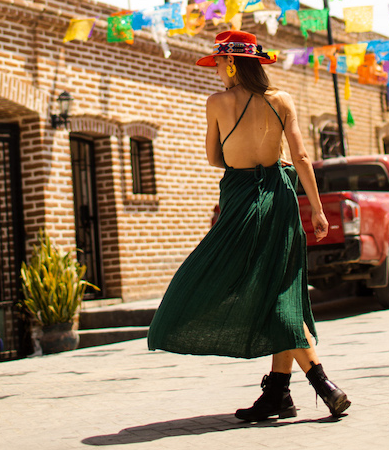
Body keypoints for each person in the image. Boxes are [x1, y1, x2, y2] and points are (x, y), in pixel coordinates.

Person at [147, 29, 350, 421]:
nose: (217, 72)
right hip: (282, 196)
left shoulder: (218, 103)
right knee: (281, 290)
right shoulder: (282, 100)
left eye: (220, 64)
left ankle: (323, 384)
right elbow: (303, 158)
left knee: (251, 288)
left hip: (242, 199)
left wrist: (242, 153)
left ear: (232, 64)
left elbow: (214, 157)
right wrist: (318, 210)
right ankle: (278, 393)